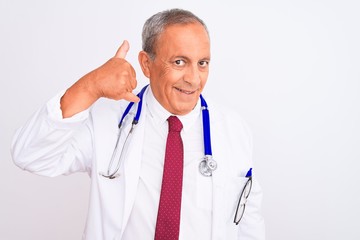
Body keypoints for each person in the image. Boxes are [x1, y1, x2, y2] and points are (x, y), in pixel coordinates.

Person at [11, 8, 265, 240]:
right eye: (179, 62)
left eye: (202, 63)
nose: (193, 78)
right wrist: (90, 87)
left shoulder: (233, 130)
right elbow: (30, 155)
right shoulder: (106, 122)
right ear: (146, 64)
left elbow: (248, 220)